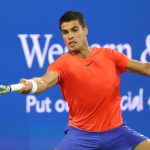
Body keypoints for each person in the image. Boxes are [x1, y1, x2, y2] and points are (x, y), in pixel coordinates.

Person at [19, 11, 150, 150]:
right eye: (65, 32)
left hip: (117, 132)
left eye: (74, 30)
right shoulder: (61, 64)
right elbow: (44, 81)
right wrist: (32, 85)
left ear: (85, 30)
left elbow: (146, 68)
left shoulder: (109, 55)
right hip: (82, 135)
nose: (70, 36)